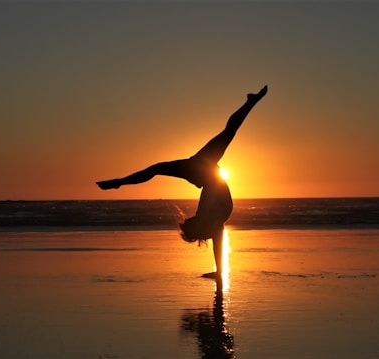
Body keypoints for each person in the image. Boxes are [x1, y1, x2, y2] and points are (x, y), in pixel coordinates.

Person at [97, 85, 268, 279]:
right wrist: (219, 272)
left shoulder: (211, 221)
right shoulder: (212, 219)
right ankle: (251, 101)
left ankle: (120, 182)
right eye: (190, 221)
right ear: (197, 226)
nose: (190, 217)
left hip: (202, 172)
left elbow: (217, 243)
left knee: (158, 168)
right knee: (228, 133)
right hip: (201, 169)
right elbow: (218, 242)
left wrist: (219, 272)